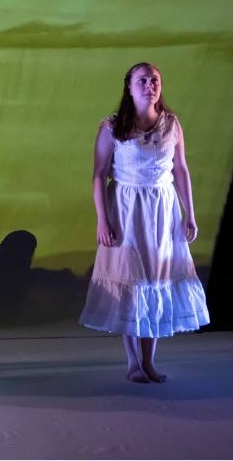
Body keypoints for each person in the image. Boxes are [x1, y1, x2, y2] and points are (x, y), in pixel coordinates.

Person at [79, 62, 209, 383]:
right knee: (132, 281)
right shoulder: (112, 127)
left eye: (155, 80)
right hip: (126, 210)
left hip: (163, 212)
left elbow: (180, 170)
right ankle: (133, 361)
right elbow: (97, 175)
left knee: (156, 280)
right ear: (129, 87)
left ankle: (149, 360)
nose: (149, 86)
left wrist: (189, 212)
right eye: (142, 80)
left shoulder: (171, 125)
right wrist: (102, 220)